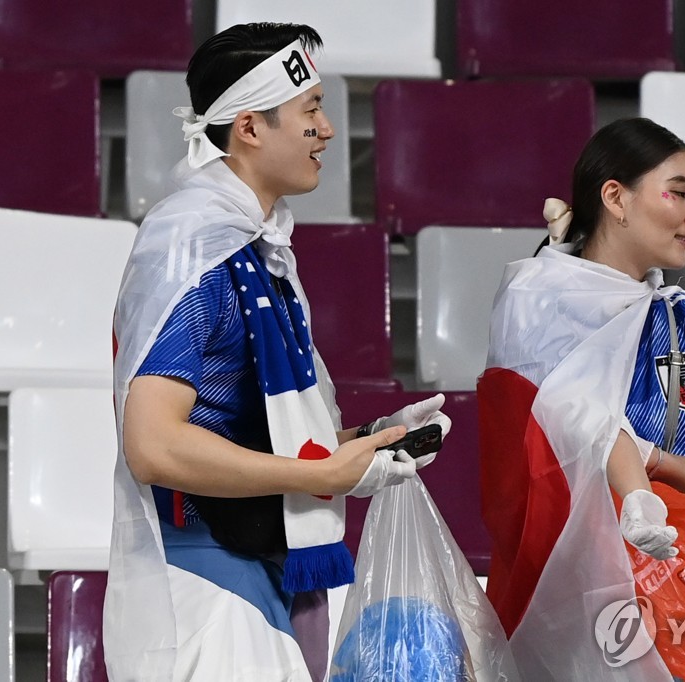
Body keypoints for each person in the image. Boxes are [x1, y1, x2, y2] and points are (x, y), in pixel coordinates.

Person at [105, 23, 450, 682]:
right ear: (249, 128)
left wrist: (363, 444)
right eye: (311, 109)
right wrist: (319, 475)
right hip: (200, 579)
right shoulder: (192, 249)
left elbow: (246, 426)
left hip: (256, 568)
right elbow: (154, 445)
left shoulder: (256, 247)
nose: (327, 129)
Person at [478, 117, 685, 680]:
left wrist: (652, 465)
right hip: (562, 604)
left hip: (677, 603)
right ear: (615, 197)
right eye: (678, 192)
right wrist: (637, 485)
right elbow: (565, 429)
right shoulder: (536, 302)